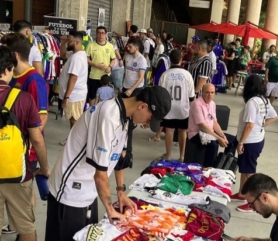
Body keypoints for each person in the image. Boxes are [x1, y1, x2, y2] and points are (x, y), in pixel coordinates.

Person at [45, 85, 171, 241]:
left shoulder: (126, 116)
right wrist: (110, 209)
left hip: (89, 191)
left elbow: (118, 156)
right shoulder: (108, 116)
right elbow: (100, 175)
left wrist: (120, 190)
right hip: (69, 192)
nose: (146, 124)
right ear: (142, 106)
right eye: (150, 118)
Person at [0, 46, 49, 241]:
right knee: (26, 226)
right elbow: (37, 138)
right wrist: (44, 168)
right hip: (18, 175)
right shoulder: (24, 99)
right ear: (7, 70)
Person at [230, 75, 277, 212]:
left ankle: (253, 202)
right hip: (257, 139)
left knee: (250, 173)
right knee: (244, 170)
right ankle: (242, 194)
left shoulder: (252, 102)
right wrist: (261, 125)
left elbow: (249, 125)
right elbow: (274, 116)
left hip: (250, 142)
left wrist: (240, 143)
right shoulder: (264, 100)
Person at [158, 50, 195, 161]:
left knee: (169, 130)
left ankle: (168, 155)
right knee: (182, 131)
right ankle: (182, 156)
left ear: (170, 60)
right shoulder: (187, 75)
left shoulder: (165, 75)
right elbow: (191, 97)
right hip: (183, 108)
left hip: (169, 108)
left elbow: (160, 94)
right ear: (181, 60)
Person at [187, 83, 228, 167]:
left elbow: (214, 122)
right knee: (213, 145)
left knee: (231, 141)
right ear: (202, 92)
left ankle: (223, 166)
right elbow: (202, 126)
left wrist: (222, 135)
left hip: (208, 132)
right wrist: (218, 138)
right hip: (196, 133)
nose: (210, 95)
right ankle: (208, 169)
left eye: (212, 92)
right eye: (207, 92)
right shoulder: (196, 104)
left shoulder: (212, 104)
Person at [122, 37, 148, 160]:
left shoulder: (142, 60)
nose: (128, 48)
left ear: (136, 47)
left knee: (130, 121)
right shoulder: (127, 57)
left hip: (135, 90)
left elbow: (141, 78)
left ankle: (128, 150)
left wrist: (132, 90)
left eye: (130, 46)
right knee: (123, 116)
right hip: (125, 88)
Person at [59, 31, 88, 129]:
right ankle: (73, 141)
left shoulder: (76, 58)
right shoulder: (76, 53)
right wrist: (63, 42)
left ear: (77, 43)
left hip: (74, 96)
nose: (68, 43)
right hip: (75, 94)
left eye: (69, 41)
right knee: (73, 120)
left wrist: (66, 97)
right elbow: (63, 55)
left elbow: (73, 78)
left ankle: (75, 142)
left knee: (74, 120)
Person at [86, 26, 116, 106]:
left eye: (102, 33)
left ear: (106, 35)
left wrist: (110, 67)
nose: (100, 35)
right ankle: (92, 114)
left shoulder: (110, 46)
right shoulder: (90, 45)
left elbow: (113, 59)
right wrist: (95, 64)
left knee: (106, 98)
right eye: (99, 33)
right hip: (94, 76)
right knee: (92, 97)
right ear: (96, 34)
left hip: (105, 77)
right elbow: (86, 59)